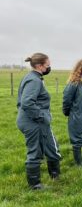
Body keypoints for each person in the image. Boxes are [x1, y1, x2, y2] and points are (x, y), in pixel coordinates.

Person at [17, 53, 61, 189]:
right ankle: (35, 185)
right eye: (47, 65)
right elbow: (26, 103)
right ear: (39, 66)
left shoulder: (34, 77)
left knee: (51, 146)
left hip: (37, 121)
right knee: (35, 151)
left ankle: (55, 175)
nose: (49, 67)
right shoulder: (34, 80)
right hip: (33, 122)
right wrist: (42, 116)